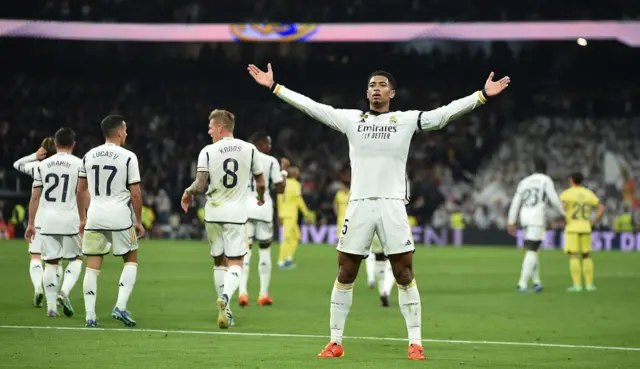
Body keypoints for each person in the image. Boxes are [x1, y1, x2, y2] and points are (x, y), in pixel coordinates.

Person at [248, 63, 510, 360]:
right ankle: (335, 342)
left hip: (392, 205)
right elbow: (313, 107)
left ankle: (415, 342)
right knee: (346, 271)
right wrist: (275, 87)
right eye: (372, 84)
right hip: (358, 204)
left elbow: (444, 115)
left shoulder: (406, 120)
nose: (376, 87)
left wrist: (481, 96)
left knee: (404, 272)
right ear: (367, 91)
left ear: (392, 92)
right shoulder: (351, 120)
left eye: (382, 84)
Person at [180, 109, 265, 329]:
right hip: (236, 215)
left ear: (219, 127)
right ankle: (226, 298)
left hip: (213, 213)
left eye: (210, 128)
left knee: (218, 261)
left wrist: (188, 192)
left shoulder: (207, 151)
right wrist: (261, 197)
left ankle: (225, 310)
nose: (209, 132)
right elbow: (261, 182)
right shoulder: (250, 149)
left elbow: (200, 184)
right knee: (236, 262)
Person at [77, 115, 145, 328]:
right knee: (131, 259)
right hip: (120, 217)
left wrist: (82, 217)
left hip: (95, 216)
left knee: (92, 266)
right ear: (118, 132)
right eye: (125, 130)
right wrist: (139, 221)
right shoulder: (128, 157)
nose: (126, 134)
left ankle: (90, 316)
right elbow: (135, 193)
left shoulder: (88, 156)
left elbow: (80, 190)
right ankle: (121, 306)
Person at [25, 128, 84, 317]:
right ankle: (64, 291)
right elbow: (83, 193)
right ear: (73, 145)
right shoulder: (79, 164)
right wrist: (85, 218)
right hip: (71, 218)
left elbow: (35, 198)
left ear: (56, 144)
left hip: (48, 220)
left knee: (50, 263)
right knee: (76, 259)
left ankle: (51, 308)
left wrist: (31, 223)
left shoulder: (42, 166)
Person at [238, 131, 287, 308]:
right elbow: (280, 188)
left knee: (246, 252)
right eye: (268, 143)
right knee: (265, 251)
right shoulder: (270, 161)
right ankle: (263, 294)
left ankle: (242, 292)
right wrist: (284, 171)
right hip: (263, 209)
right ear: (261, 144)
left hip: (244, 209)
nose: (270, 146)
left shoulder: (242, 159)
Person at [507, 157, 564, 292]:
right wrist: (563, 213)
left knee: (534, 249)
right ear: (545, 169)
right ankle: (522, 284)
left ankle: (537, 281)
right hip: (536, 217)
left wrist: (511, 221)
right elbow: (554, 199)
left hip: (524, 216)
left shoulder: (524, 182)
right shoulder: (545, 180)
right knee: (532, 250)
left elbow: (516, 202)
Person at [13, 136, 57, 307]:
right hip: (58, 216)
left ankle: (38, 287)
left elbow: (17, 164)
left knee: (35, 256)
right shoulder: (66, 168)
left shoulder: (38, 167)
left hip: (38, 217)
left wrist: (34, 155)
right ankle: (52, 294)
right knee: (54, 259)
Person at [560, 172, 605, 292]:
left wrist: (565, 219)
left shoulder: (567, 193)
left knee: (574, 256)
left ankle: (577, 285)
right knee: (586, 255)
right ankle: (590, 285)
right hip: (586, 227)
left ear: (571, 180)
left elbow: (561, 209)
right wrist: (594, 221)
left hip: (572, 228)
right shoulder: (588, 193)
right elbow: (601, 208)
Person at [277, 166, 312, 269]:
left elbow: (279, 198)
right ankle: (281, 261)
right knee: (287, 238)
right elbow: (299, 201)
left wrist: (279, 214)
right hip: (290, 214)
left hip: (284, 213)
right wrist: (307, 214)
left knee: (296, 236)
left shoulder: (283, 184)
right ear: (295, 174)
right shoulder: (295, 184)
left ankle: (288, 259)